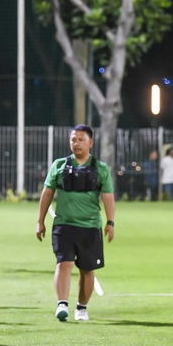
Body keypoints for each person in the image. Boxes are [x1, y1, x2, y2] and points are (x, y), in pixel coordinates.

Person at [36, 124, 115, 322]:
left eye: (81, 139)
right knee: (64, 263)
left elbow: (107, 197)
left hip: (90, 227)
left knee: (87, 270)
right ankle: (62, 304)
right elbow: (47, 194)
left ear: (91, 143)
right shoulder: (59, 165)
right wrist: (40, 221)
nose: (76, 143)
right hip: (64, 225)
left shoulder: (101, 169)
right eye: (73, 139)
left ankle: (82, 307)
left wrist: (110, 222)